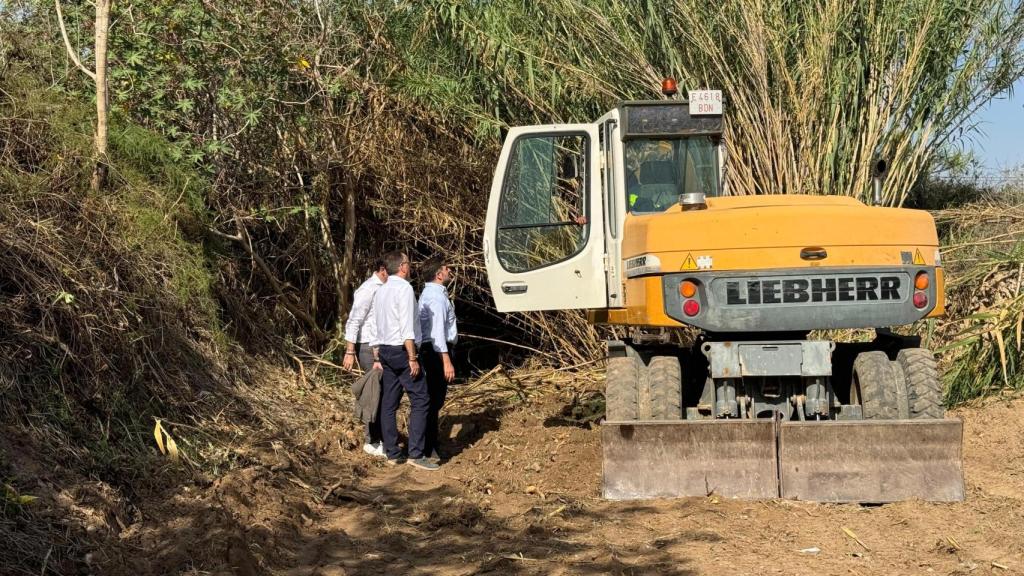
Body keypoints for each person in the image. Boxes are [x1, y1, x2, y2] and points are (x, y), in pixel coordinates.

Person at [370, 251, 438, 471]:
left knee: (389, 402)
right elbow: (407, 326)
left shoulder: (381, 291)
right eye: (408, 263)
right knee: (421, 399)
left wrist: (376, 352)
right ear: (402, 267)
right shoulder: (405, 289)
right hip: (402, 350)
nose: (410, 267)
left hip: (385, 351)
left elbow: (376, 323)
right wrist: (413, 357)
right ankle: (416, 454)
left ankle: (392, 451)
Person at [342, 259, 388, 458]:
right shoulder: (368, 289)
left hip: (382, 347)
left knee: (384, 395)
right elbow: (354, 320)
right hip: (369, 348)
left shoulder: (387, 288)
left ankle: (381, 439)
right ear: (383, 269)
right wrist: (350, 351)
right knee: (373, 394)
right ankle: (372, 441)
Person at [417, 258, 458, 463]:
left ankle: (429, 443)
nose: (449, 270)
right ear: (439, 274)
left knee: (434, 400)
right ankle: (428, 446)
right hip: (435, 351)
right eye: (446, 268)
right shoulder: (436, 298)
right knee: (434, 399)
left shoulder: (434, 294)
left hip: (434, 350)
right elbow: (437, 332)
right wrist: (446, 360)